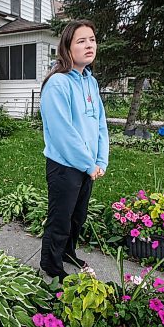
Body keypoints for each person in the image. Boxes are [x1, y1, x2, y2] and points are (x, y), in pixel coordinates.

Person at [39, 20, 109, 282]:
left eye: (92, 39)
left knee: (77, 217)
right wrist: (89, 164)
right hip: (65, 166)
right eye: (81, 41)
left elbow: (100, 123)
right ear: (67, 48)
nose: (89, 45)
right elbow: (63, 133)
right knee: (60, 219)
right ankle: (51, 265)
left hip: (87, 166)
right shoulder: (58, 83)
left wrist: (100, 160)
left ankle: (67, 254)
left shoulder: (90, 82)